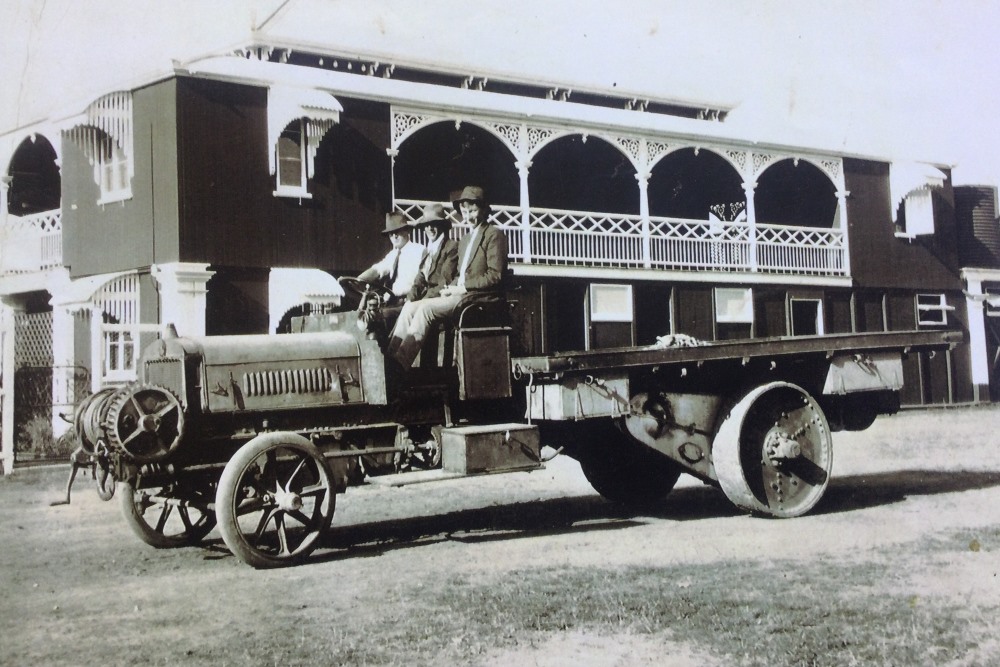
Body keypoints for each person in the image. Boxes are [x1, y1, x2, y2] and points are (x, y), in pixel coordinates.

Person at [387, 186, 508, 369]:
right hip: (459, 294)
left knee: (426, 309)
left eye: (473, 211)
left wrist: (463, 288)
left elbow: (495, 275)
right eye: (465, 212)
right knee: (410, 307)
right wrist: (450, 288)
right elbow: (459, 275)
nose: (468, 217)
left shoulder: (494, 235)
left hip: (478, 299)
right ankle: (389, 361)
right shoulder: (465, 240)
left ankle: (401, 364)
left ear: (484, 210)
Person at [355, 212, 425, 306]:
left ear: (407, 231)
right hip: (391, 301)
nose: (394, 236)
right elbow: (378, 269)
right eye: (391, 234)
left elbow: (420, 282)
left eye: (397, 232)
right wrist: (357, 280)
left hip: (409, 301)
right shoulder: (393, 255)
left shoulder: (418, 251)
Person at [407, 202, 459, 302]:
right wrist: (409, 299)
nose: (430, 228)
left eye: (434, 224)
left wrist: (422, 301)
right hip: (426, 298)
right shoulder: (427, 251)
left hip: (440, 298)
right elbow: (419, 281)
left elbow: (444, 282)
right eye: (426, 225)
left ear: (441, 225)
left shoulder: (451, 247)